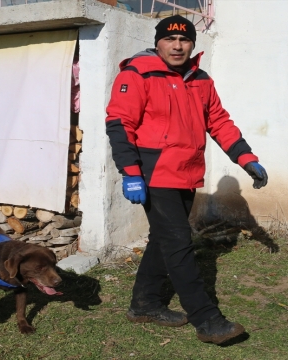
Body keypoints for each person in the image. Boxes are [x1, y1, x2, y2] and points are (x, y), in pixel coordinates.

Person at [104, 15, 268, 345]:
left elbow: (218, 121)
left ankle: (144, 304)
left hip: (187, 172)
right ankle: (207, 319)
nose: (177, 46)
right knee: (178, 241)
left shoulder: (200, 79)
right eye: (170, 39)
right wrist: (131, 172)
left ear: (193, 44)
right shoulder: (138, 73)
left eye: (185, 40)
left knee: (163, 240)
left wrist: (246, 157)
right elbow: (120, 123)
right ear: (159, 41)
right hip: (154, 173)